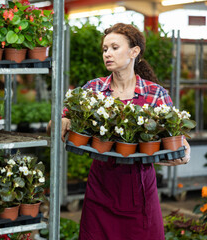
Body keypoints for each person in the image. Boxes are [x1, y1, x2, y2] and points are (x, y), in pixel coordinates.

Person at [46, 23, 191, 240]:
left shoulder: (155, 94)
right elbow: (56, 122)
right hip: (100, 188)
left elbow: (178, 139)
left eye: (114, 47)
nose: (108, 54)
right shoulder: (93, 90)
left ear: (134, 52)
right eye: (105, 49)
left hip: (141, 191)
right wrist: (62, 120)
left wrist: (182, 153)